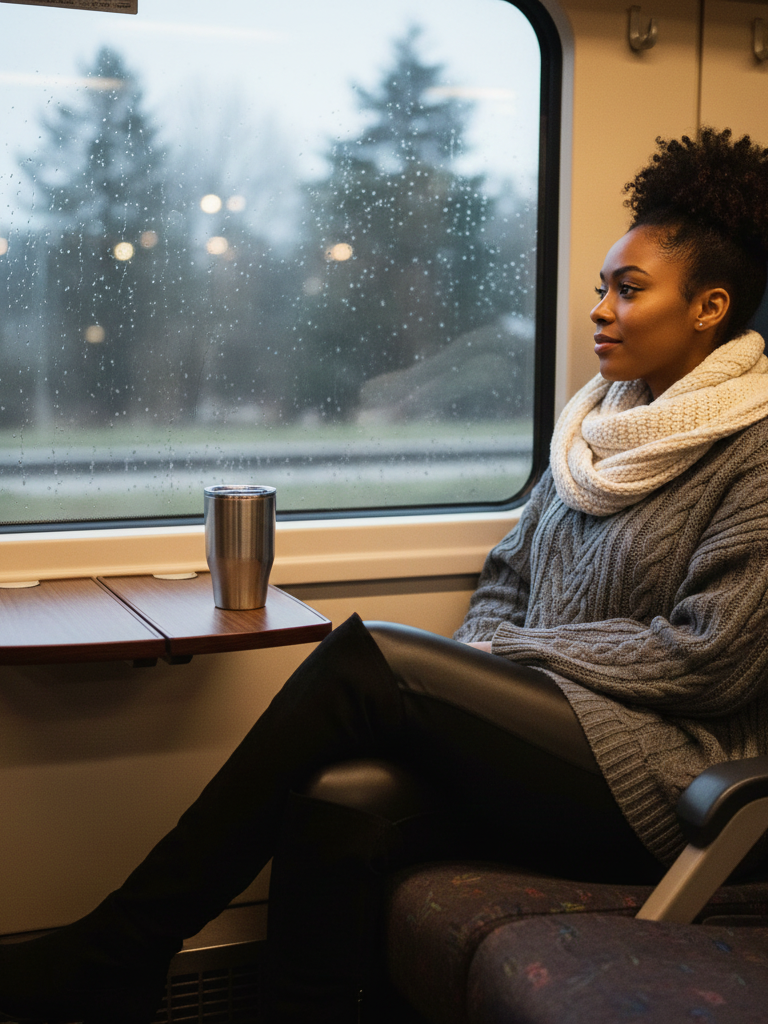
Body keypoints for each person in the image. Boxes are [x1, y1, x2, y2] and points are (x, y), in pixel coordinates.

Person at [3, 127, 768, 1024]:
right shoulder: (597, 431)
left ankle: (119, 949)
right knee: (340, 798)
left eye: (628, 290)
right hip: (564, 731)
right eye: (601, 284)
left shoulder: (752, 453)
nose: (599, 308)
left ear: (711, 307)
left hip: (670, 778)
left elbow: (709, 657)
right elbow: (505, 579)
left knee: (377, 660)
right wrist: (499, 648)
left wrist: (510, 658)